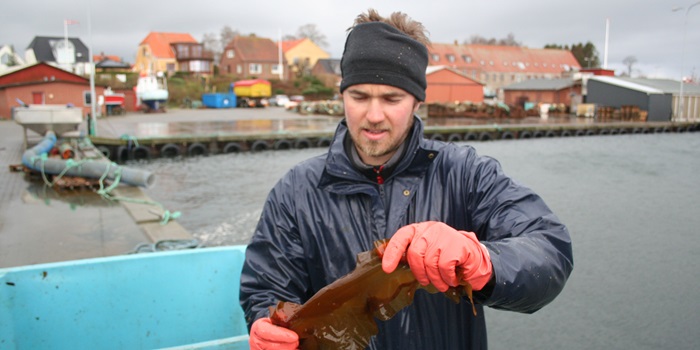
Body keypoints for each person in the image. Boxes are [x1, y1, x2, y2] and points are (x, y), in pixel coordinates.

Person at [240, 8, 573, 350]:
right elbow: (266, 288)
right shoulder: (296, 191)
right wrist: (265, 325)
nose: (373, 115)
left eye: (391, 98)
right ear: (342, 95)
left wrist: (483, 259)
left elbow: (550, 250)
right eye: (359, 96)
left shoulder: (466, 173)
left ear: (416, 100)